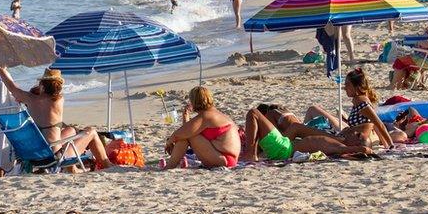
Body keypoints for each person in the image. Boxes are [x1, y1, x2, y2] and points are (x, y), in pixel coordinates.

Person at [0, 67, 112, 170]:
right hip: (54, 157)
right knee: (91, 131)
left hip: (33, 156)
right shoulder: (58, 101)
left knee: (70, 130)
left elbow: (12, 88)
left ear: (42, 85)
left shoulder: (30, 99)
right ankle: (107, 165)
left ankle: (74, 170)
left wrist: (2, 71)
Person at [303, 69, 394, 149]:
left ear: (357, 87)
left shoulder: (361, 102)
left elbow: (378, 124)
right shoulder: (358, 100)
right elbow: (373, 123)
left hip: (348, 139)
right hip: (348, 134)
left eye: (348, 85)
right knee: (313, 111)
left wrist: (390, 145)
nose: (344, 88)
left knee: (312, 110)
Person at [242, 108, 372, 162]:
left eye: (358, 136)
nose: (355, 133)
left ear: (356, 145)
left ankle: (251, 154)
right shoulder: (338, 142)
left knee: (253, 113)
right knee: (256, 117)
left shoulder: (341, 147)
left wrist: (365, 150)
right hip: (284, 147)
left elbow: (363, 148)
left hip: (283, 148)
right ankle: (252, 153)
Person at [162, 86, 241, 169]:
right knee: (186, 135)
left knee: (186, 136)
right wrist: (186, 116)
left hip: (223, 160)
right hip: (228, 159)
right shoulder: (215, 114)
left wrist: (168, 143)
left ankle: (170, 166)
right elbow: (186, 131)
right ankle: (171, 164)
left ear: (194, 101)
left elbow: (180, 134)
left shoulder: (206, 116)